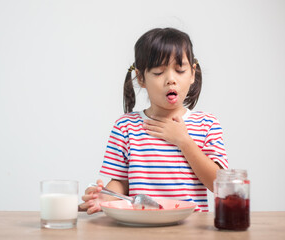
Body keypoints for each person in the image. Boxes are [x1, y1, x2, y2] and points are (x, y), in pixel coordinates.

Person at [79, 27, 228, 214]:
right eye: (158, 72)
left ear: (192, 73)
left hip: (190, 229)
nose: (170, 80)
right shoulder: (126, 127)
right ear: (141, 78)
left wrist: (184, 141)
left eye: (180, 70)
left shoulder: (207, 124)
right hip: (140, 226)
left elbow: (220, 185)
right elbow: (121, 182)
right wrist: (106, 197)